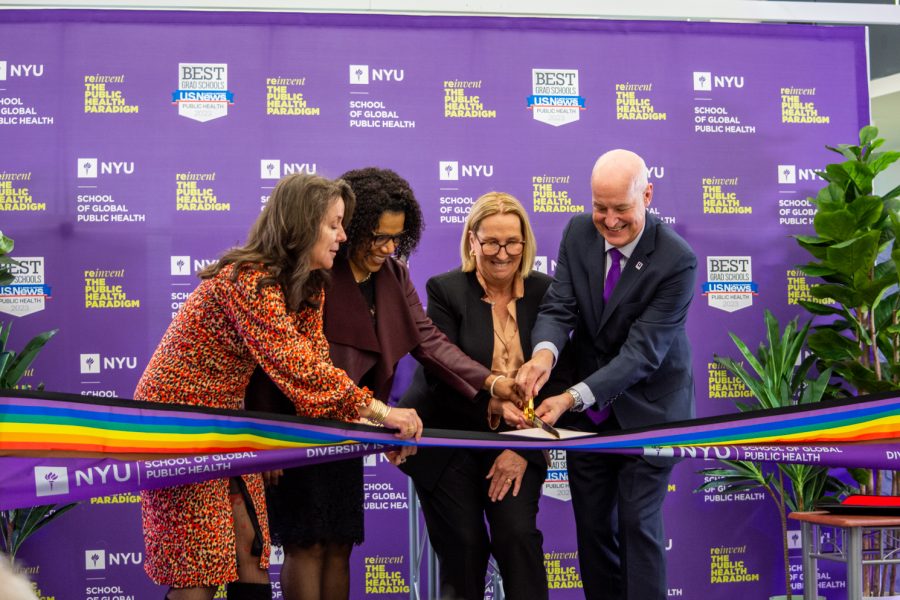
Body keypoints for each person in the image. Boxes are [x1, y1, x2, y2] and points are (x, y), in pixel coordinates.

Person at [135, 173, 422, 600]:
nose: (344, 236)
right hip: (180, 424)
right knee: (199, 568)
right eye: (334, 224)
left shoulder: (309, 283)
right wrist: (382, 412)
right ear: (303, 224)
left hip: (230, 423)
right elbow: (296, 365)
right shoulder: (249, 277)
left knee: (250, 553)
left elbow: (317, 366)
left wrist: (379, 426)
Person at [243, 168, 523, 600]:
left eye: (397, 237)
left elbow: (429, 341)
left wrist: (492, 382)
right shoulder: (316, 269)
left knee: (339, 545)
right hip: (295, 426)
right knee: (307, 543)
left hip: (351, 423)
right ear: (351, 227)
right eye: (378, 237)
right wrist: (266, 433)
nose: (389, 247)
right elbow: (277, 362)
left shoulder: (393, 275)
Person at [516, 149, 697, 600]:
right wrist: (543, 356)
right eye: (601, 207)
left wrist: (573, 396)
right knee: (594, 532)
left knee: (638, 527)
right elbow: (560, 307)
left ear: (647, 196)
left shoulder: (677, 260)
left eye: (622, 208)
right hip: (589, 424)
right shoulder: (578, 231)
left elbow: (642, 354)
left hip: (650, 411)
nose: (610, 220)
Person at [399, 192, 572, 600]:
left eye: (512, 242)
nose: (502, 253)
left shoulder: (547, 291)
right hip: (451, 438)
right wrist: (493, 406)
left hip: (519, 442)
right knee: (465, 545)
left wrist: (522, 449)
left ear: (525, 243)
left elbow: (561, 377)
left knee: (517, 537)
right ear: (471, 241)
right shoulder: (445, 289)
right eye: (491, 242)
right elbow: (442, 375)